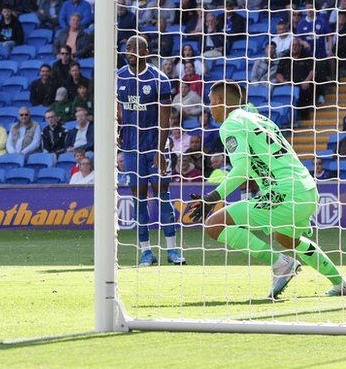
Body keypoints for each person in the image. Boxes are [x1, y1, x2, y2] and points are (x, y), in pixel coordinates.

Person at [187, 81, 345, 298]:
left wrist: (213, 197)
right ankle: (340, 283)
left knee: (214, 225)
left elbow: (242, 168)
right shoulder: (258, 118)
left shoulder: (231, 124)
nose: (210, 108)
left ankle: (281, 264)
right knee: (288, 239)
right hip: (306, 188)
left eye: (211, 102)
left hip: (285, 193)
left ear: (221, 102)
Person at [118, 36, 184, 266]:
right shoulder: (119, 78)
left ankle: (173, 250)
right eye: (127, 48)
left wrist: (160, 149)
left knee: (163, 197)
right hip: (131, 148)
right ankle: (146, 251)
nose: (130, 51)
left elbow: (164, 120)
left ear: (146, 52)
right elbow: (118, 112)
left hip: (155, 147)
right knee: (138, 199)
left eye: (135, 48)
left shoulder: (159, 79)